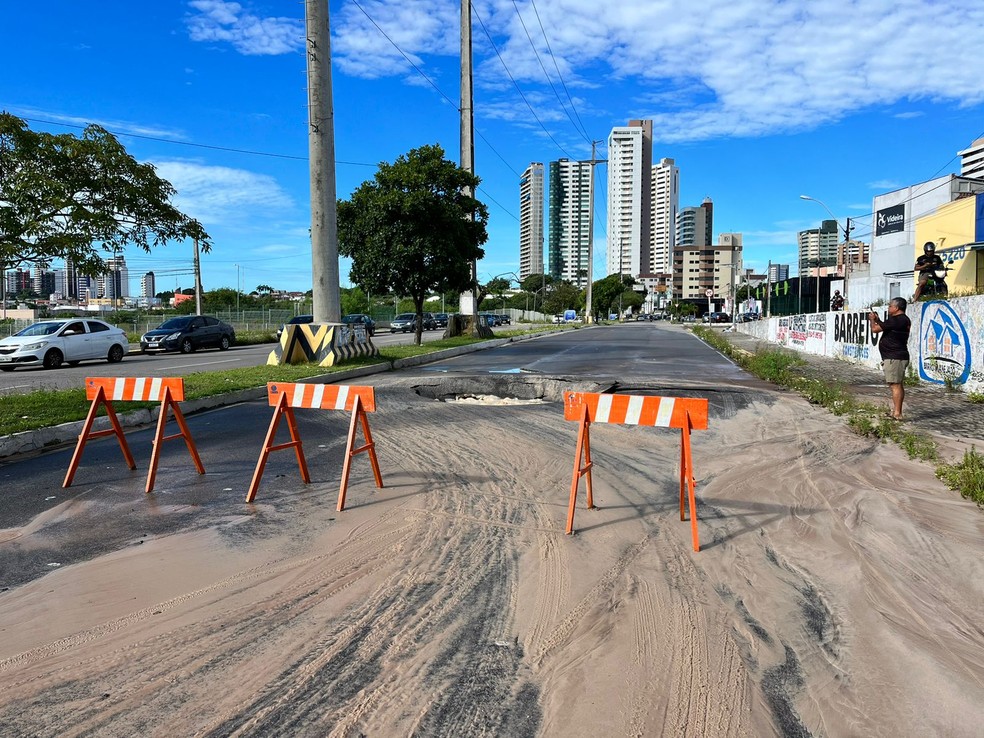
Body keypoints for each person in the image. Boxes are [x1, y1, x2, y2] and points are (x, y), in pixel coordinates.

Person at [868, 297, 911, 420]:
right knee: (897, 384)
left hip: (894, 357)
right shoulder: (900, 320)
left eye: (890, 306)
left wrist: (872, 320)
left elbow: (875, 329)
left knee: (895, 385)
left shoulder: (898, 320)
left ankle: (897, 413)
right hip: (896, 356)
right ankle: (896, 412)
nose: (889, 308)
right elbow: (884, 326)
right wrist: (878, 320)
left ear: (896, 308)